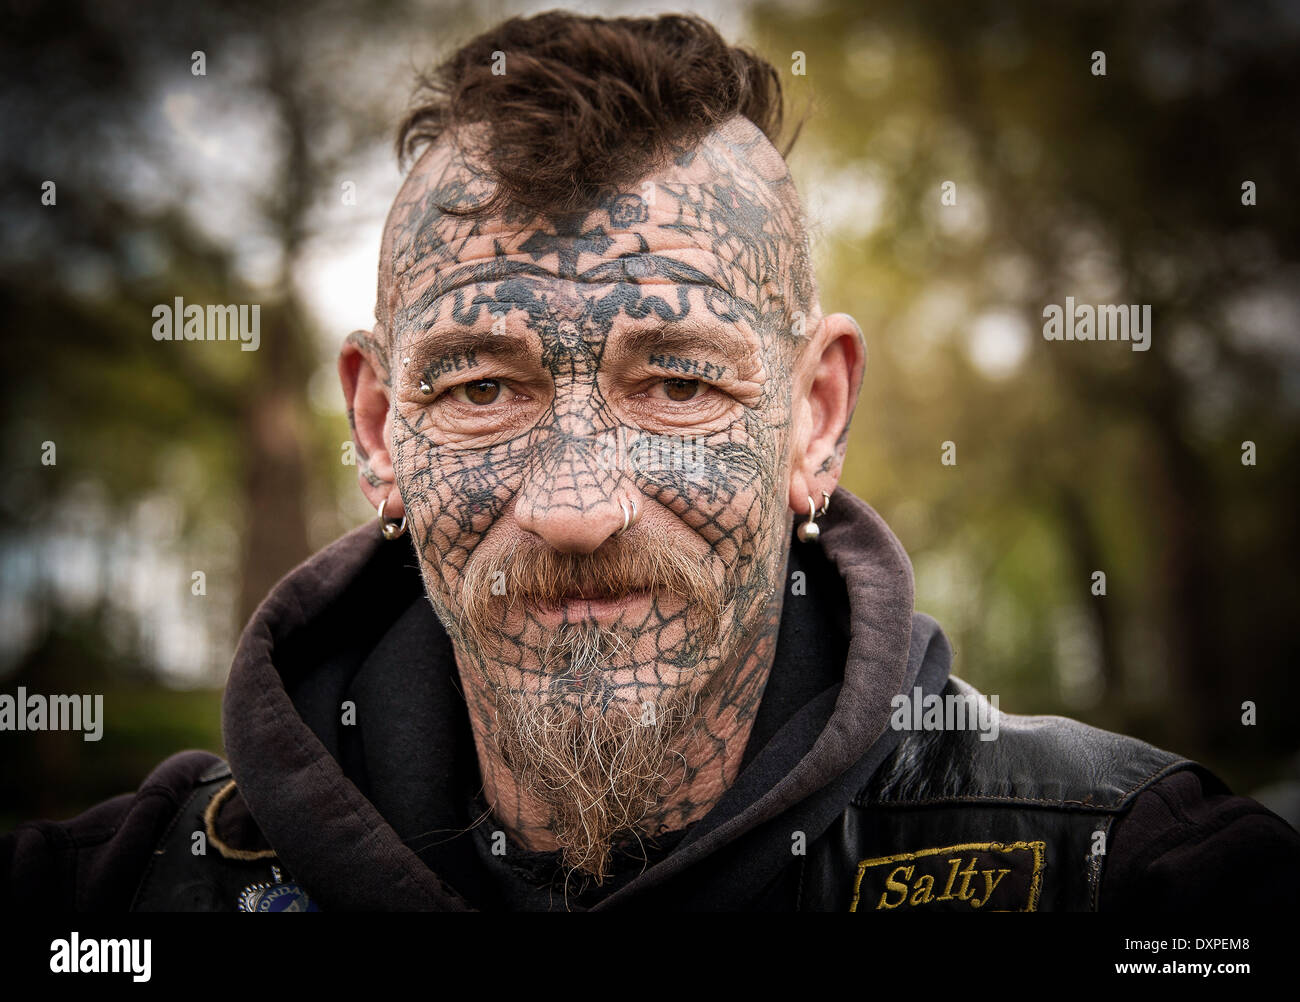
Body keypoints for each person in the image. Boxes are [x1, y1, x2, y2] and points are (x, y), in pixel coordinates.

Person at [3, 11, 1297, 912]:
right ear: (383, 428)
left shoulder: (1125, 876)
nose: (576, 507)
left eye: (677, 379)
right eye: (482, 384)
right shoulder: (123, 894)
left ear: (814, 416)